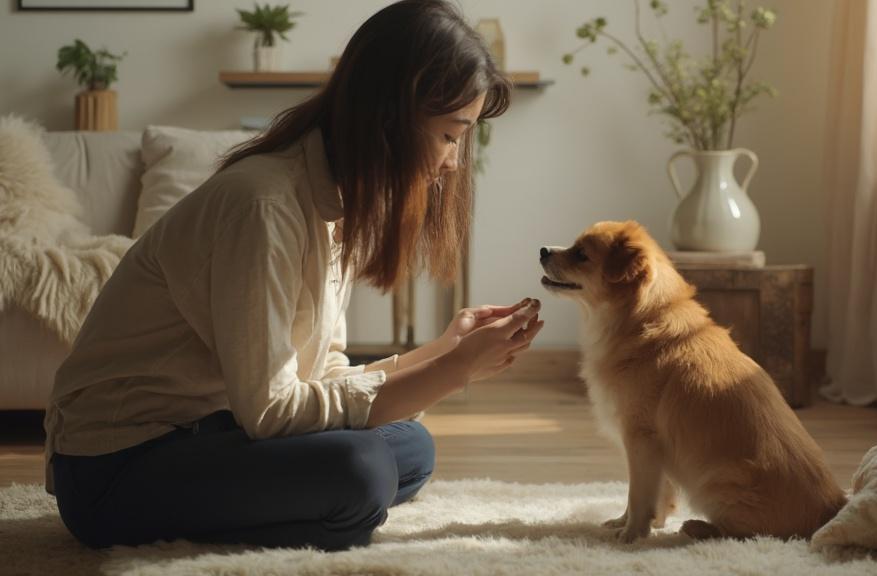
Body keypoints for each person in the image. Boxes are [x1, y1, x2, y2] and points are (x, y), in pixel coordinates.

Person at [44, 0, 543, 551]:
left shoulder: (335, 199)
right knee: (362, 469)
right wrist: (454, 372)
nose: (452, 162)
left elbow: (320, 374)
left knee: (410, 449)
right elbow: (272, 412)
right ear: (390, 116)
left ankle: (330, 514)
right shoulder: (264, 206)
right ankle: (334, 517)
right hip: (116, 468)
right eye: (451, 135)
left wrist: (443, 351)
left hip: (214, 429)